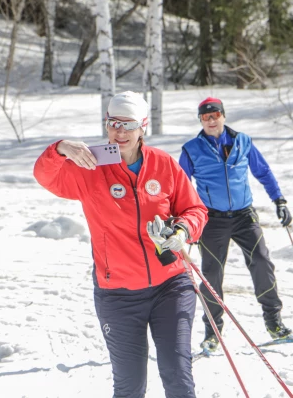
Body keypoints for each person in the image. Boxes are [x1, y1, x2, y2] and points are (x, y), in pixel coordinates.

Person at [34, 91, 208, 398]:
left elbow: (196, 210)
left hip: (171, 285)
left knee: (178, 378)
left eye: (128, 124)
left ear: (143, 127)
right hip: (118, 295)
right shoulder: (91, 166)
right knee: (129, 387)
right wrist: (60, 148)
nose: (120, 131)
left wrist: (181, 231)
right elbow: (46, 177)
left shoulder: (163, 164)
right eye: (114, 123)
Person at [179, 96, 293, 352]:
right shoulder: (191, 149)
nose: (211, 120)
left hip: (244, 216)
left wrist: (279, 200)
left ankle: (274, 322)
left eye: (215, 115)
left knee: (262, 261)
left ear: (223, 116)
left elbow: (262, 171)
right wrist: (186, 222)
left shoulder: (243, 142)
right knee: (211, 276)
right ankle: (212, 333)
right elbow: (181, 186)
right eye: (205, 117)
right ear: (200, 120)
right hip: (211, 220)